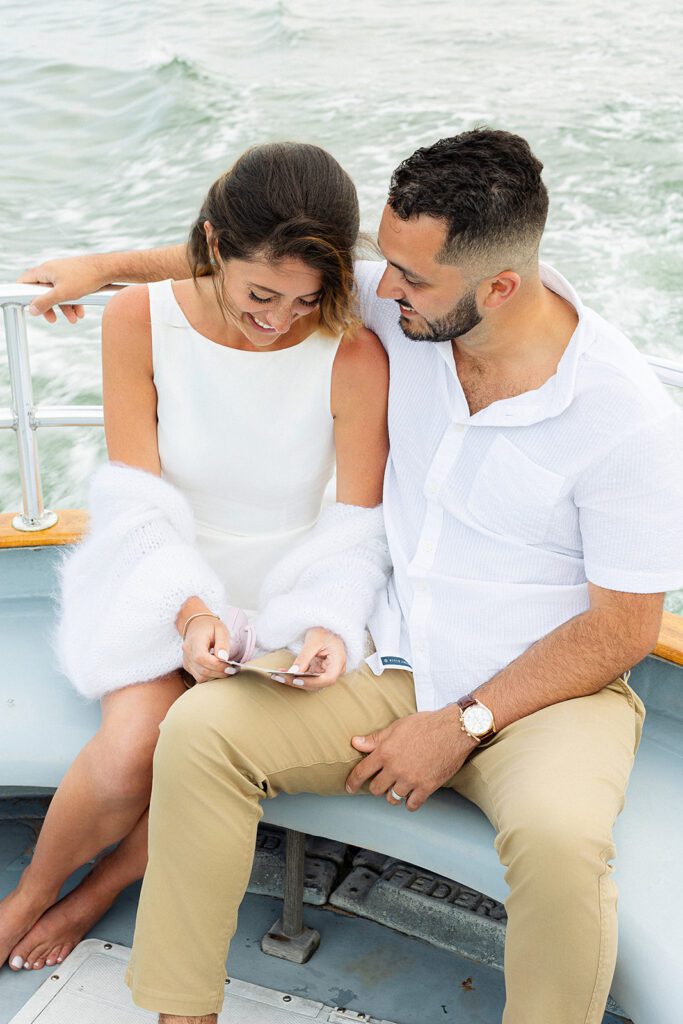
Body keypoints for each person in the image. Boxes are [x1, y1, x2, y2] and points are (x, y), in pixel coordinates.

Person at [12, 128, 683, 1024]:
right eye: (387, 265)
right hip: (397, 662)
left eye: (407, 278)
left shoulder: (627, 419)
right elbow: (247, 257)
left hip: (544, 696)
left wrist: (463, 722)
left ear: (500, 286)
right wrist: (103, 267)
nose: (379, 288)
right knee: (203, 734)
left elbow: (621, 631)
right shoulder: (415, 307)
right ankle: (182, 1015)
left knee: (562, 844)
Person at [0, 142, 392, 975]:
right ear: (214, 246)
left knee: (207, 752)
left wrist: (327, 619)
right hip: (156, 569)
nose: (280, 317)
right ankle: (30, 894)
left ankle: (97, 889)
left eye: (305, 297)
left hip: (285, 586)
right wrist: (189, 611)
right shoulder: (137, 319)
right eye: (260, 293)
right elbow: (136, 505)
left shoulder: (353, 346)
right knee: (134, 742)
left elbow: (358, 524)